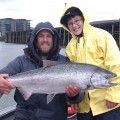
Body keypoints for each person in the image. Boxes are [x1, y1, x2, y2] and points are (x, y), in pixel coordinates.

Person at [0, 21, 84, 120]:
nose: (45, 40)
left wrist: (74, 96)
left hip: (55, 117)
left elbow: (79, 97)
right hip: (24, 116)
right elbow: (2, 75)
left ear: (54, 39)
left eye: (49, 36)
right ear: (35, 39)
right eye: (41, 36)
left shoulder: (65, 62)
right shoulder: (21, 61)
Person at [60, 6, 120, 120]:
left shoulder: (102, 36)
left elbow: (117, 66)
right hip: (84, 109)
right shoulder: (69, 47)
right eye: (70, 23)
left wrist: (114, 95)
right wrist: (74, 99)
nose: (74, 25)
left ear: (84, 20)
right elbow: (70, 79)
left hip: (107, 105)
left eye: (77, 20)